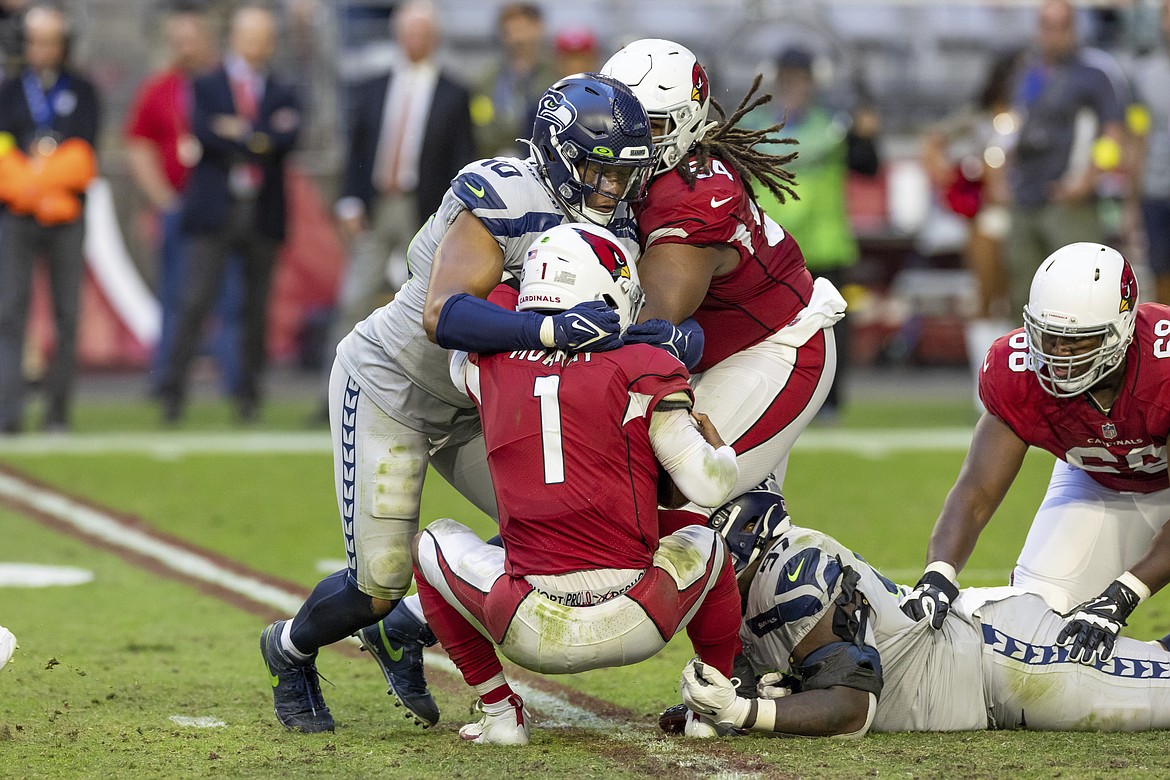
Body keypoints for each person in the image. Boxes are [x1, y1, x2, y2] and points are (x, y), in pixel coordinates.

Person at [259, 73, 660, 734]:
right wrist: (548, 330)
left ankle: (406, 629)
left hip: (482, 406)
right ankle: (290, 650)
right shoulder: (502, 192)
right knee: (376, 583)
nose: (612, 188)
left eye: (623, 173)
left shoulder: (618, 224)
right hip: (396, 386)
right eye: (597, 168)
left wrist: (660, 336)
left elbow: (611, 326)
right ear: (558, 152)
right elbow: (444, 315)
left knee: (560, 534)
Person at [413, 222, 742, 746]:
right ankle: (711, 704)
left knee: (430, 543)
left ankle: (501, 713)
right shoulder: (644, 364)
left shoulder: (484, 365)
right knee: (707, 538)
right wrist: (719, 447)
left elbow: (474, 330)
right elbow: (707, 485)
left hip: (526, 623)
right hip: (639, 614)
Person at [667, 486, 1170, 737]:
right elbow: (759, 679)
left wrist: (743, 712)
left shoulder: (795, 573)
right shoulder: (743, 589)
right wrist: (711, 706)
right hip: (978, 675)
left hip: (1004, 665)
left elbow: (852, 710)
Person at [601, 39, 846, 533]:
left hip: (775, 349)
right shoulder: (623, 174)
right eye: (617, 120)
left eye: (646, 126)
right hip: (716, 353)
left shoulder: (687, 196)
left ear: (685, 123)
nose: (628, 138)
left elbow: (648, 332)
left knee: (673, 504)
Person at [900, 242, 1170, 669]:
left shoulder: (1164, 366)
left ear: (1122, 328)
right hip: (1098, 483)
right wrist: (939, 573)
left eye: (1078, 342)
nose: (1059, 356)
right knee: (1031, 636)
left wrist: (1124, 593)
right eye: (1049, 336)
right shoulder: (1017, 370)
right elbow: (977, 488)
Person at [319, 0, 475, 420]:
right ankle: (332, 391)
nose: (414, 40)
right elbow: (357, 149)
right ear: (397, 35)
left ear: (434, 37)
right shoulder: (372, 85)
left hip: (423, 208)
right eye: (408, 31)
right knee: (353, 296)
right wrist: (349, 199)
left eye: (422, 32)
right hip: (376, 202)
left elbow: (461, 158)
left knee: (428, 299)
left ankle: (430, 393)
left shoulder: (453, 92)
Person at [158, 5, 301, 424]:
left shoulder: (282, 87)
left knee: (255, 311)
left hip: (262, 209)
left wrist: (241, 133)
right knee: (195, 301)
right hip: (214, 209)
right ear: (235, 39)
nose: (256, 45)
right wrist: (261, 138)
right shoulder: (207, 84)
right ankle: (172, 392)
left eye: (263, 37)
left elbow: (286, 137)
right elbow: (205, 131)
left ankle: (248, 396)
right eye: (249, 36)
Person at [748, 46, 880, 423]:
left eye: (799, 78)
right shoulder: (753, 127)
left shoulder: (835, 126)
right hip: (770, 244)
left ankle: (831, 403)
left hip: (824, 243)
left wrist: (868, 135)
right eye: (787, 77)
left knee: (830, 332)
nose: (793, 86)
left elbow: (868, 166)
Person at [123, 7, 244, 398]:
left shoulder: (226, 84)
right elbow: (137, 144)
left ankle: (235, 384)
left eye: (191, 39)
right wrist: (162, 198)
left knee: (230, 297)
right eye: (178, 41)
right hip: (181, 207)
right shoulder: (158, 89)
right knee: (177, 297)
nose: (184, 48)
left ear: (206, 41)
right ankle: (167, 381)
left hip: (222, 206)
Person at [0, 3, 100, 434]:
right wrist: (33, 185)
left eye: (50, 42)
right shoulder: (8, 92)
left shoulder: (83, 90)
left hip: (65, 218)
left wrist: (34, 182)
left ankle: (57, 412)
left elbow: (82, 158)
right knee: (9, 312)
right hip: (16, 220)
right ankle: (9, 411)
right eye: (35, 41)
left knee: (66, 313)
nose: (41, 50)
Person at [1006, 0, 1125, 316]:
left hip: (1069, 202)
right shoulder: (1026, 72)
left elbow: (1112, 135)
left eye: (1062, 27)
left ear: (1074, 29)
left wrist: (1088, 179)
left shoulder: (1094, 75)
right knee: (1024, 295)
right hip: (1025, 197)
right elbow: (1011, 127)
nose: (1054, 35)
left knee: (1075, 298)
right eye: (1047, 27)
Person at [922, 50, 1022, 413]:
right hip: (986, 217)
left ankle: (1017, 386)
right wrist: (952, 182)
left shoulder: (1034, 114)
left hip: (1026, 214)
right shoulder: (978, 118)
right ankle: (987, 388)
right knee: (985, 296)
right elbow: (935, 140)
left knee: (1019, 297)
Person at [470, 2, 556, 158]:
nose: (517, 38)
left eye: (523, 30)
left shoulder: (555, 77)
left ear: (538, 28)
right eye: (510, 31)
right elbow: (481, 130)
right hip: (494, 161)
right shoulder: (487, 80)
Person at [1130, 0, 1170, 306]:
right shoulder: (1144, 73)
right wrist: (1132, 197)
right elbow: (1137, 136)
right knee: (1161, 271)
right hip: (1156, 189)